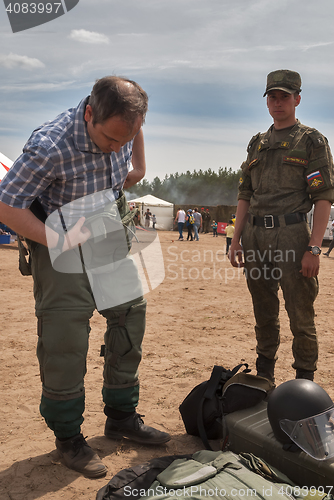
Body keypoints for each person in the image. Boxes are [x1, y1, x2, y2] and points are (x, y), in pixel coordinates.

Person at [0, 76, 170, 479]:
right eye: (110, 140)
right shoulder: (50, 147)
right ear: (90, 114)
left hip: (108, 233)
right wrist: (55, 239)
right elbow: (7, 205)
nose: (117, 147)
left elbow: (131, 138)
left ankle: (122, 417)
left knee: (130, 317)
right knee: (66, 338)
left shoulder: (125, 124)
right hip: (61, 241)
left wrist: (138, 167)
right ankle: (69, 438)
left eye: (125, 139)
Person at [229, 69, 334, 384]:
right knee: (263, 310)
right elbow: (245, 193)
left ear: (297, 99)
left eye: (284, 96)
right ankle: (264, 377)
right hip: (255, 236)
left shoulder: (311, 141)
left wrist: (314, 247)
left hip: (291, 236)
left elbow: (323, 196)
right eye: (272, 97)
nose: (277, 102)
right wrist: (235, 241)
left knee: (300, 315)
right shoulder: (257, 144)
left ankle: (304, 381)